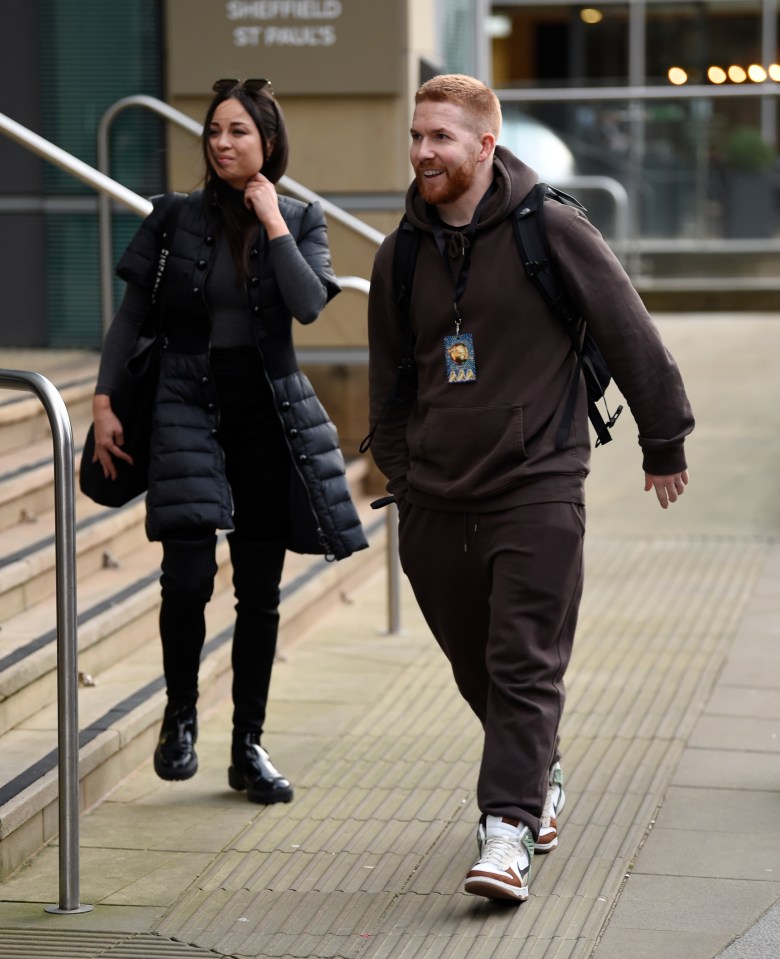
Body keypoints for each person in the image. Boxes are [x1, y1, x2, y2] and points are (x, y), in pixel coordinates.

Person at [366, 75, 693, 902]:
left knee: (522, 659)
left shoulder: (548, 225)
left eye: (440, 136)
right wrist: (402, 477)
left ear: (485, 144)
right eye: (416, 136)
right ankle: (536, 764)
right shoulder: (400, 251)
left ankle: (505, 827)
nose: (423, 152)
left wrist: (664, 437)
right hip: (436, 491)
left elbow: (627, 327)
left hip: (539, 479)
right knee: (475, 663)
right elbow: (389, 379)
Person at [90, 78, 367, 804]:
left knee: (260, 591)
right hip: (184, 402)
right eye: (214, 130)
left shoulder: (303, 219)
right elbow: (129, 318)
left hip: (268, 415)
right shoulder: (173, 218)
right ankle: (179, 714)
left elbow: (309, 307)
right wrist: (102, 399)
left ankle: (248, 744)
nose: (220, 142)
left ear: (267, 144)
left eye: (238, 131)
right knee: (185, 574)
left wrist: (273, 219)